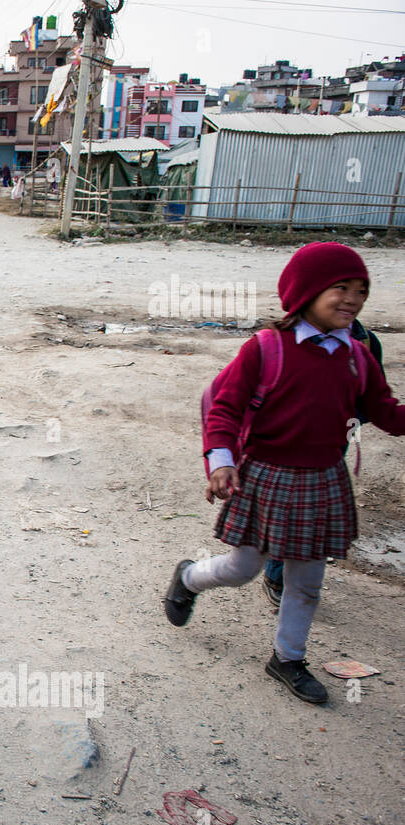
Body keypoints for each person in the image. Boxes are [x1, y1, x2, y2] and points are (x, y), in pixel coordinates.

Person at [162, 243, 405, 704]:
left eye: (361, 291)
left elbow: (387, 413)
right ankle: (190, 577)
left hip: (323, 480)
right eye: (341, 288)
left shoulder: (358, 355)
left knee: (307, 582)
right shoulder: (265, 349)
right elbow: (226, 409)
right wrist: (222, 462)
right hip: (267, 477)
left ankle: (288, 658)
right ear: (307, 292)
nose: (353, 299)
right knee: (242, 568)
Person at [260, 316, 385, 606]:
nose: (348, 301)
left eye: (357, 291)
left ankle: (291, 579)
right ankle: (276, 574)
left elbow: (372, 400)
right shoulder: (283, 340)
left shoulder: (365, 341)